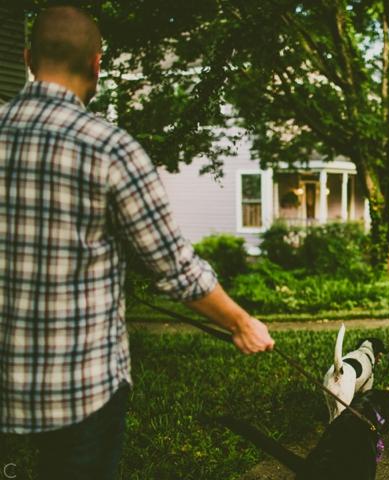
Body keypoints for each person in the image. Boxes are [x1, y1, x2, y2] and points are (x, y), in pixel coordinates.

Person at [0, 6, 274, 479]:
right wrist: (240, 322)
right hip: (81, 391)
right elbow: (174, 267)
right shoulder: (108, 148)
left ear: (27, 57)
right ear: (96, 64)